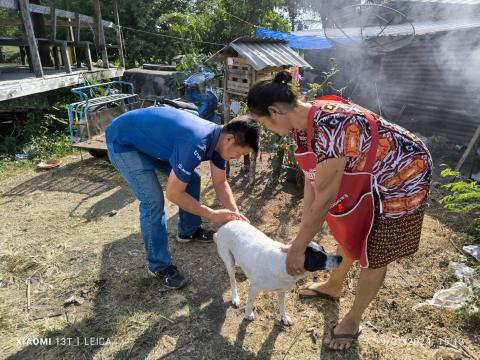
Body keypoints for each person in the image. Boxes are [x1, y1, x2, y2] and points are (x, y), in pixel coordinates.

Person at [247, 71, 432, 350]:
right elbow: (312, 182)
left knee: (375, 251)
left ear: (274, 111)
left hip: (402, 175)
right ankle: (334, 286)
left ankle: (353, 321)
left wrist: (298, 249)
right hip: (368, 175)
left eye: (262, 122)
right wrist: (302, 239)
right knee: (351, 229)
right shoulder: (302, 125)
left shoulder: (333, 127)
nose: (265, 128)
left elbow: (324, 200)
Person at [105, 107, 259, 290]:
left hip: (144, 141)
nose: (237, 158)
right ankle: (159, 266)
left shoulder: (219, 141)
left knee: (193, 178)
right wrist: (211, 214)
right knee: (153, 201)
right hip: (123, 142)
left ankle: (188, 230)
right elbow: (173, 194)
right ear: (229, 139)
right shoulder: (196, 142)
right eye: (240, 154)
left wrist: (236, 215)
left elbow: (220, 182)